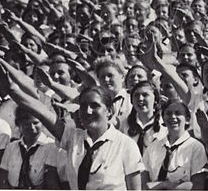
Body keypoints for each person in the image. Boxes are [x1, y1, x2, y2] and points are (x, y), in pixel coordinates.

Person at [3, 80, 144, 190]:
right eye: (83, 106)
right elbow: (41, 111)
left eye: (95, 105)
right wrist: (13, 89)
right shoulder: (73, 138)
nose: (87, 111)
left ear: (109, 111)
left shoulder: (126, 145)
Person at [142, 101, 208, 190]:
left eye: (178, 113)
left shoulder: (195, 147)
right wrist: (166, 185)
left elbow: (197, 186)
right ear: (163, 119)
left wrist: (158, 186)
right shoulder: (152, 148)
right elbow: (143, 185)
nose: (173, 117)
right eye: (168, 114)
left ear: (187, 119)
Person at [0, 107, 56, 189]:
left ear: (43, 123)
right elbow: (3, 177)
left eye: (35, 123)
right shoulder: (11, 147)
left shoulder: (51, 147)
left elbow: (51, 183)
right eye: (26, 124)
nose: (32, 128)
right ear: (18, 124)